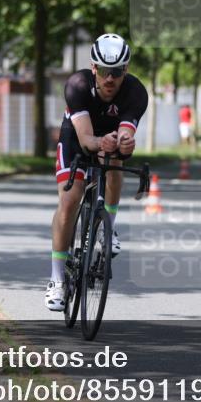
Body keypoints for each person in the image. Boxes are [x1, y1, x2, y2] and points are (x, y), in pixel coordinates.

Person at [46, 33, 148, 311]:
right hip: (78, 137)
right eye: (104, 71)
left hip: (109, 138)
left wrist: (125, 143)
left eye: (116, 72)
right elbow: (86, 139)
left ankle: (107, 228)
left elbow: (126, 135)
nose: (110, 79)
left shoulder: (136, 92)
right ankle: (56, 280)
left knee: (115, 161)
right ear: (94, 68)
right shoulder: (77, 85)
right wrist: (99, 142)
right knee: (69, 200)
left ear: (125, 70)